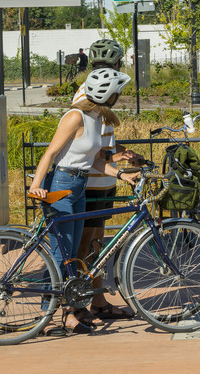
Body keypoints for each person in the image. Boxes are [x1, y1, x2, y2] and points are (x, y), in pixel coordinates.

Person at [29, 66, 138, 335]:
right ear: (107, 94)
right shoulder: (75, 116)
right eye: (117, 94)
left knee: (73, 257)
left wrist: (123, 175)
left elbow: (96, 163)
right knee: (59, 253)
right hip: (63, 184)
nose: (118, 98)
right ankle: (47, 317)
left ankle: (67, 314)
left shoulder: (95, 117)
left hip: (79, 186)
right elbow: (50, 154)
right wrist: (35, 186)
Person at [72, 39, 143, 327]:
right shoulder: (89, 94)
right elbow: (86, 146)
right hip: (91, 180)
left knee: (97, 243)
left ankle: (98, 301)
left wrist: (123, 154)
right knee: (85, 245)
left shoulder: (98, 89)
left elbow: (101, 142)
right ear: (117, 64)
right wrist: (118, 167)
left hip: (102, 180)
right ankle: (77, 303)